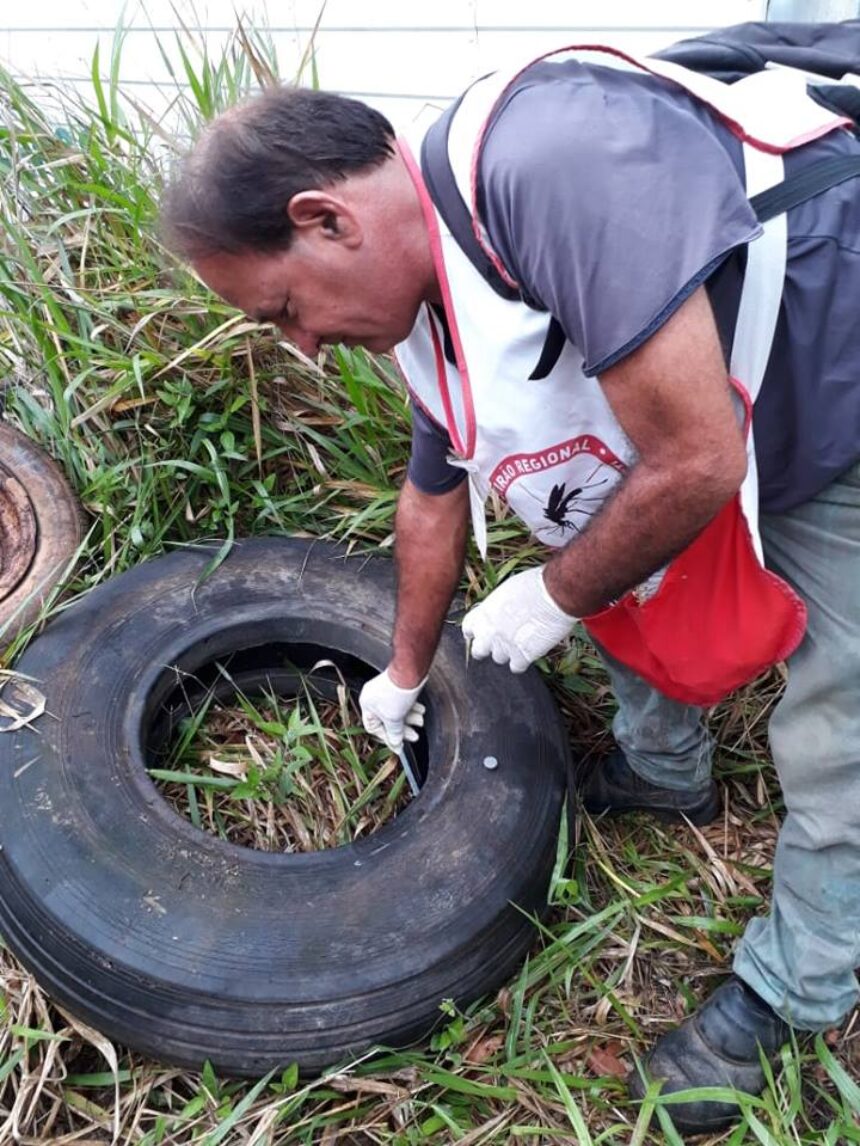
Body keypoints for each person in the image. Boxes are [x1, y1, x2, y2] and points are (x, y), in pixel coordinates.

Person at [161, 35, 860, 1134]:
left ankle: (799, 985)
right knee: (611, 544)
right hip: (699, 411)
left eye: (282, 310)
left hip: (833, 386)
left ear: (325, 219)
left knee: (839, 721)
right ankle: (663, 769)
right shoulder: (418, 303)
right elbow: (430, 503)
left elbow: (693, 464)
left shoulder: (546, 163)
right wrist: (398, 672)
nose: (296, 348)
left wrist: (549, 597)